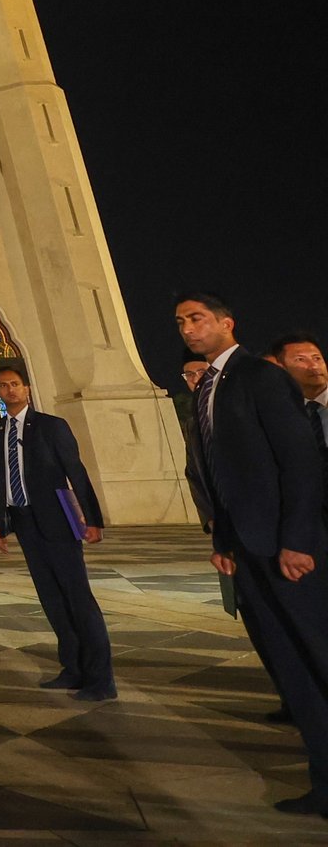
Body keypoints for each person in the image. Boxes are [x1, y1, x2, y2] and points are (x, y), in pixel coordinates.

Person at [175, 293, 328, 817]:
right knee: (291, 669)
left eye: (197, 319)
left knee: (318, 657)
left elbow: (299, 461)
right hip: (247, 551)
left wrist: (299, 540)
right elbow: (220, 470)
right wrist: (223, 543)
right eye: (181, 322)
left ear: (225, 322)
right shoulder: (207, 391)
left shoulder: (260, 378)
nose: (188, 329)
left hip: (286, 551)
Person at [0, 367, 114, 701]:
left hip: (58, 520)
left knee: (78, 597)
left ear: (27, 388)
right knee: (52, 599)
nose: (10, 390)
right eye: (3, 386)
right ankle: (72, 668)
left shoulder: (50, 426)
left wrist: (93, 519)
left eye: (15, 384)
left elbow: (76, 471)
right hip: (25, 522)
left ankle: (100, 679)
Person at [271, 334, 328, 494]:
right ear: (281, 368)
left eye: (317, 358)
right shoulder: (278, 413)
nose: (313, 366)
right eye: (300, 360)